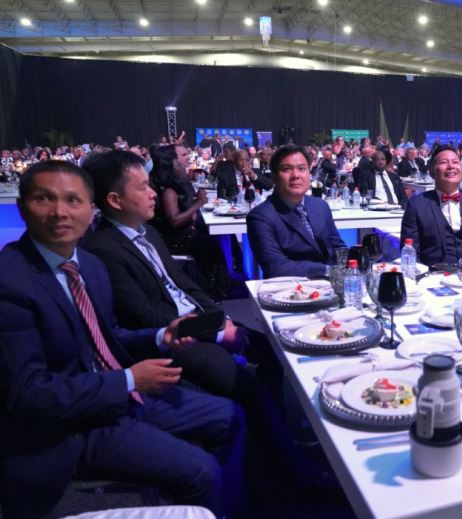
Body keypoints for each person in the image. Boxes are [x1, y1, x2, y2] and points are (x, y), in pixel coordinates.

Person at [0, 160, 243, 518]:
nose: (59, 212)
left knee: (231, 415)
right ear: (21, 208)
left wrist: (162, 336)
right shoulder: (10, 282)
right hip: (71, 429)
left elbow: (108, 336)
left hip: (120, 396)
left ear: (91, 209)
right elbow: (29, 394)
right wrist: (128, 380)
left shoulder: (88, 265)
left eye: (72, 200)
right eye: (44, 199)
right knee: (202, 470)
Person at [82, 150, 318, 485]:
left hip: (200, 324)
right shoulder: (103, 249)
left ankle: (273, 440)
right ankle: (297, 474)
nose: (153, 193)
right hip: (176, 342)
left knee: (274, 351)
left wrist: (220, 319)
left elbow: (183, 283)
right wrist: (217, 332)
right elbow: (146, 316)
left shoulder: (145, 232)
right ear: (114, 200)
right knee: (248, 387)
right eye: (143, 187)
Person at [248, 144, 346, 278]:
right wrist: (327, 270)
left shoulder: (320, 206)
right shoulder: (260, 216)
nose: (296, 175)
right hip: (289, 288)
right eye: (287, 169)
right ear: (274, 176)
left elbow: (337, 247)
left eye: (302, 168)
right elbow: (275, 267)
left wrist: (354, 260)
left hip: (333, 284)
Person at [150, 144, 233, 299]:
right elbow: (174, 220)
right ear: (172, 161)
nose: (187, 158)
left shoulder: (175, 183)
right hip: (175, 240)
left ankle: (217, 289)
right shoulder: (169, 190)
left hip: (182, 234)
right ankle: (212, 294)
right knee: (212, 250)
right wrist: (198, 204)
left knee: (216, 243)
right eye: (183, 155)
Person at [401, 145, 462, 266]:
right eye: (444, 162)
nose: (451, 166)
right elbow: (410, 252)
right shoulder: (417, 205)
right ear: (431, 172)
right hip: (431, 275)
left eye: (455, 162)